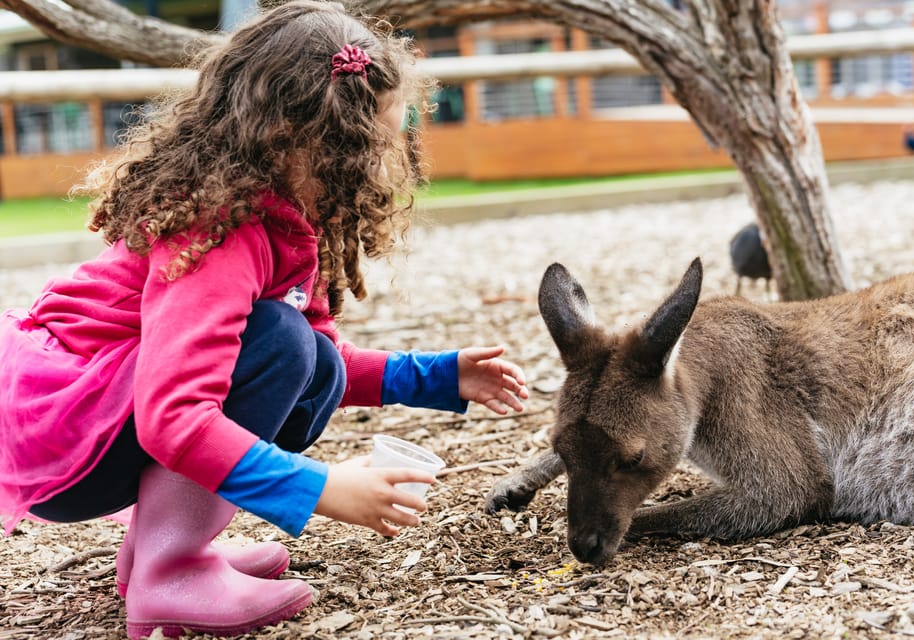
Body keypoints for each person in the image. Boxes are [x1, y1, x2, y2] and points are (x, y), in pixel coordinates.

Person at [0, 3, 529, 638]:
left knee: (309, 355)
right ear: (300, 137)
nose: (383, 163)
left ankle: (160, 553)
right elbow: (175, 415)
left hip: (102, 412)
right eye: (369, 145)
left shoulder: (291, 219)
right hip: (63, 435)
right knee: (279, 344)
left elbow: (321, 358)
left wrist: (438, 378)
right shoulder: (222, 230)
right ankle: (168, 574)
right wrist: (322, 486)